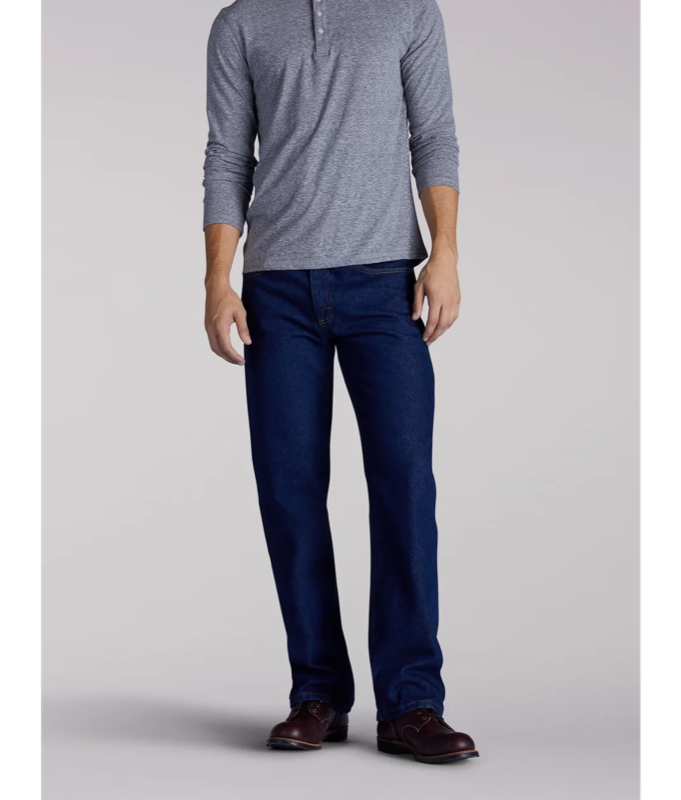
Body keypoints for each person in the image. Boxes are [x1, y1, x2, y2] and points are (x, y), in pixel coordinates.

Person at [202, 0, 478, 765]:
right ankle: (316, 692)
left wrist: (446, 253)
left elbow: (434, 133)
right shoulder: (240, 23)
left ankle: (411, 702)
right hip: (276, 290)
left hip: (384, 284)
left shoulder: (406, 11)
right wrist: (217, 280)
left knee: (403, 484)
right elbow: (227, 154)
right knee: (288, 488)